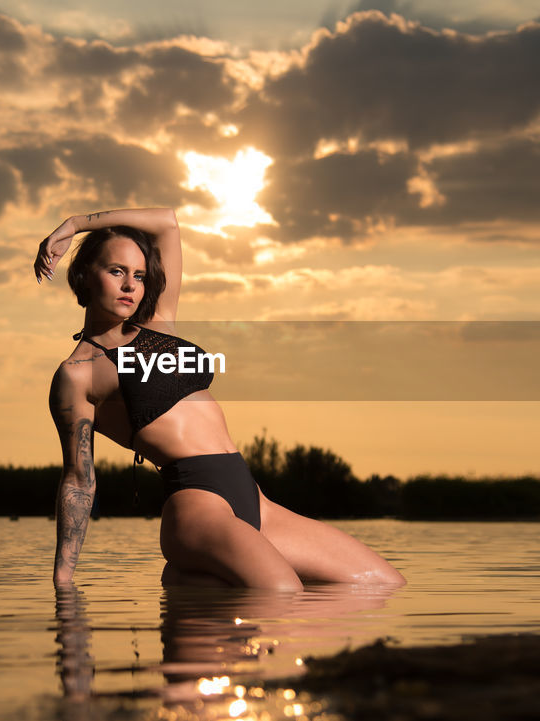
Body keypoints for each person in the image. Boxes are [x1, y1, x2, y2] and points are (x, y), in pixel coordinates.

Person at [33, 208, 406, 591]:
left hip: (253, 499)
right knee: (283, 593)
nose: (130, 285)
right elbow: (79, 481)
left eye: (139, 275)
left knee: (382, 583)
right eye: (116, 271)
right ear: (84, 276)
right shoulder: (77, 374)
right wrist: (63, 580)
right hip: (197, 504)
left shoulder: (158, 323)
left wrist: (76, 224)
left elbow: (167, 223)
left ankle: (192, 579)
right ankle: (197, 573)